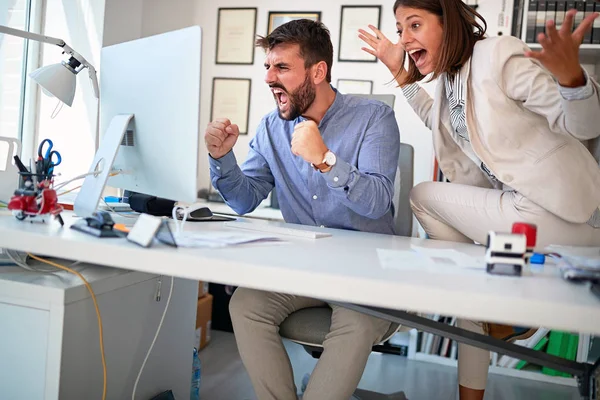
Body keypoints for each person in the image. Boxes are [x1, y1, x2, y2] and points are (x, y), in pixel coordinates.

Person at [359, 1, 600, 399]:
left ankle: (468, 296)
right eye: (400, 28)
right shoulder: (451, 79)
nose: (403, 38)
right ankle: (482, 314)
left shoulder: (497, 54)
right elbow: (436, 118)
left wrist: (572, 79)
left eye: (414, 24)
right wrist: (399, 71)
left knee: (423, 196)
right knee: (472, 291)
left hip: (564, 212)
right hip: (527, 213)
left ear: (448, 22)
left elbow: (584, 125)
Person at [204, 19, 401, 400]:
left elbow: (377, 202)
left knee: (357, 322)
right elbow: (245, 199)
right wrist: (222, 158)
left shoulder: (373, 117)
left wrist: (326, 160)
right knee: (245, 302)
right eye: (267, 67)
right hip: (306, 269)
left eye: (282, 68)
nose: (269, 78)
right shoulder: (270, 129)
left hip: (365, 272)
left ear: (318, 71)